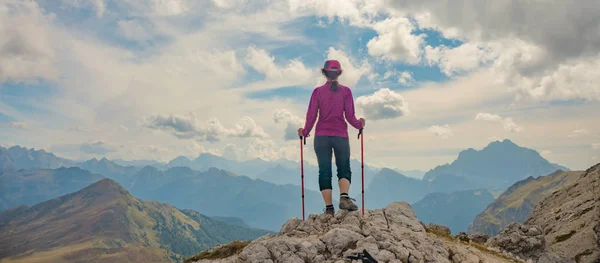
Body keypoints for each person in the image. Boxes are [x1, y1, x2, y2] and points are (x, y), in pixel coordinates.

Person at [298, 59, 365, 216]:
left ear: (324, 73)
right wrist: (359, 124)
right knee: (344, 167)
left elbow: (311, 115)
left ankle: (329, 209)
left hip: (321, 136)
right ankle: (344, 197)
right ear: (339, 73)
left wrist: (305, 131)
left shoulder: (317, 92)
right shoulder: (346, 92)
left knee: (324, 171)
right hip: (340, 135)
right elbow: (349, 116)